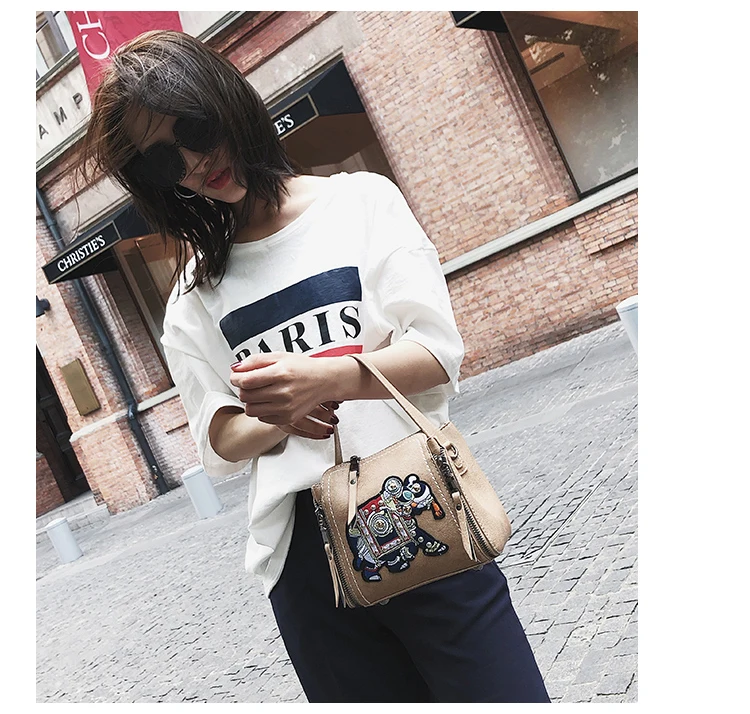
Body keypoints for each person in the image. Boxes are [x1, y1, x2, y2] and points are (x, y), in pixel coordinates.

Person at [80, 30, 550, 704]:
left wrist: (326, 379)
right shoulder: (193, 296)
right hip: (303, 552)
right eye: (162, 159)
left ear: (227, 99)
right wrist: (279, 417)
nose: (193, 160)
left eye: (195, 127)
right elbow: (220, 440)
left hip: (417, 504)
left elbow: (436, 352)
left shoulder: (358, 204)